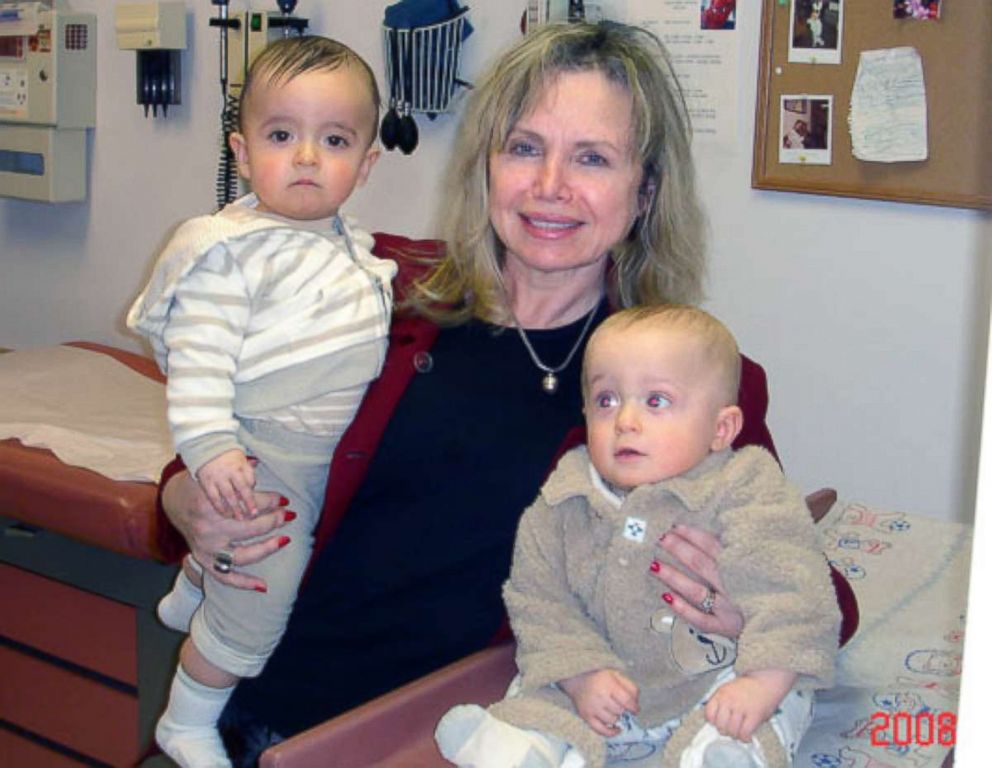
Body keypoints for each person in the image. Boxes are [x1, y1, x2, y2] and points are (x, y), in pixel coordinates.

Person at [154, 21, 854, 764]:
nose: (550, 186)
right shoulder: (372, 292)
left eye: (592, 157)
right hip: (246, 705)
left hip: (432, 741)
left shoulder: (681, 381)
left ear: (645, 189)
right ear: (486, 165)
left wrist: (737, 604)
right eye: (524, 148)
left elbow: (821, 591)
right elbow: (228, 435)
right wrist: (187, 505)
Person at [127, 35, 394, 767]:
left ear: (366, 163)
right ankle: (186, 718)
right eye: (283, 135)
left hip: (317, 459)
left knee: (256, 556)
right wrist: (209, 453)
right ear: (242, 155)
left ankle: (191, 589)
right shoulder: (229, 252)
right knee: (265, 588)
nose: (307, 157)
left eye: (333, 139)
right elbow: (202, 367)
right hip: (263, 451)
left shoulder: (357, 254)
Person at [435, 305, 841, 768]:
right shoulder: (564, 498)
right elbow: (539, 600)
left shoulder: (746, 488)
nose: (625, 420)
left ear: (721, 428)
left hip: (717, 675)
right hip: (608, 682)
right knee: (539, 689)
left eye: (656, 401)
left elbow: (796, 593)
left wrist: (763, 682)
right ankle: (518, 748)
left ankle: (724, 755)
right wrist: (581, 674)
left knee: (777, 701)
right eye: (607, 400)